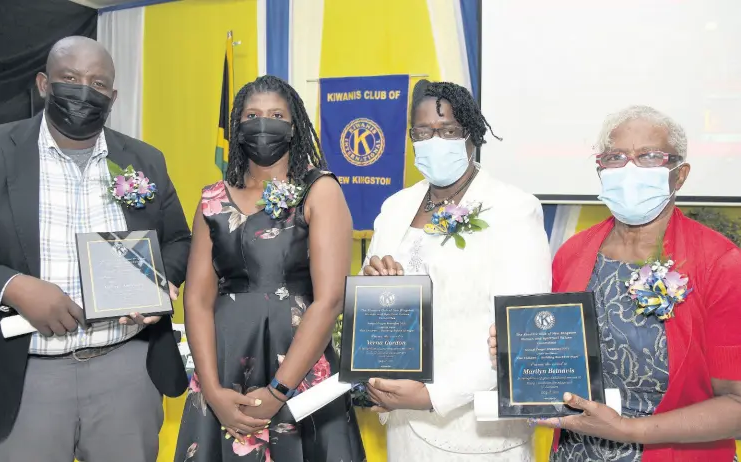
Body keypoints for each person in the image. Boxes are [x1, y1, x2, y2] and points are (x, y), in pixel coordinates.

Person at [0, 36, 191, 462]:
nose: (83, 90)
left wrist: (157, 282)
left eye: (97, 82)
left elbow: (180, 241)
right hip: (19, 373)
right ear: (43, 84)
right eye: (70, 78)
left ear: (112, 95)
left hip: (126, 370)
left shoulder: (145, 160)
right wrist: (13, 288)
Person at [489, 105, 741, 461]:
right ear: (600, 171)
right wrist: (518, 351)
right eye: (615, 157)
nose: (630, 169)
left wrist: (628, 430)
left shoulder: (720, 263)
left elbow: (737, 405)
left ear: (679, 175)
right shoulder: (572, 253)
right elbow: (561, 361)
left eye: (649, 157)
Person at [174, 75, 366, 462]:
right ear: (238, 128)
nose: (264, 123)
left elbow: (330, 300)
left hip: (299, 365)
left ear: (293, 127)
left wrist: (280, 389)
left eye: (276, 115)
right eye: (252, 115)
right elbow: (196, 298)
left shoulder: (319, 189)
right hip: (222, 366)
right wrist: (212, 390)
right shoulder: (212, 199)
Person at [360, 79, 552, 461]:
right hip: (405, 421)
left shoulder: (513, 208)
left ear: (471, 135)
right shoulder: (396, 207)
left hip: (477, 435)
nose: (435, 140)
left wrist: (435, 394)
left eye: (448, 130)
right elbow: (376, 308)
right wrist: (375, 282)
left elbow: (522, 334)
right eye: (423, 132)